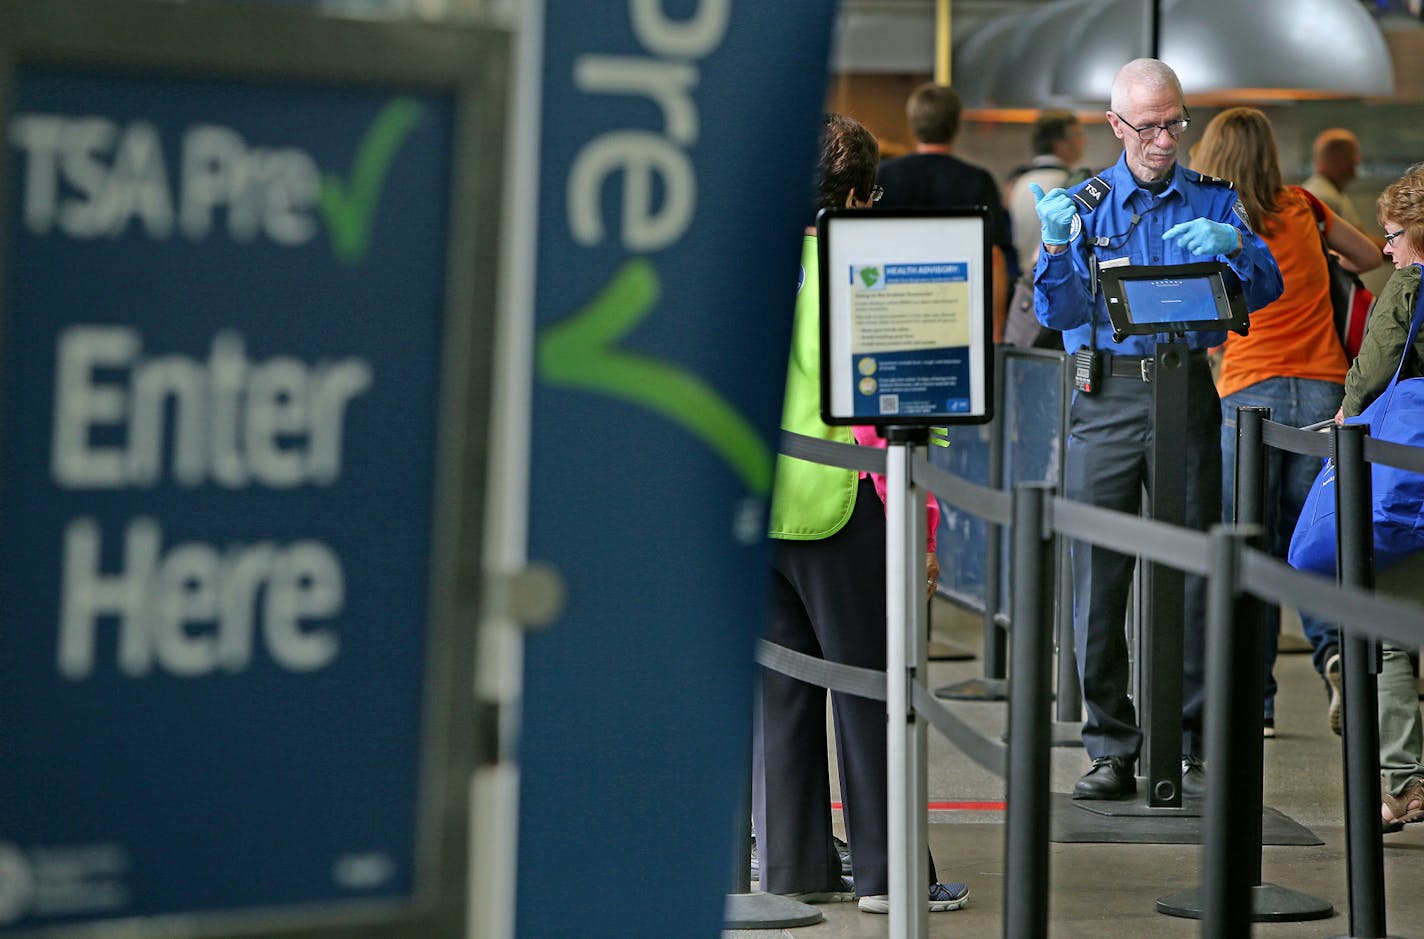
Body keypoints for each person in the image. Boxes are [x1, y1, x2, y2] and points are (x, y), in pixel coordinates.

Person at [1030, 59, 1283, 801]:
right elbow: (1060, 314)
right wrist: (1051, 250)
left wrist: (1238, 247)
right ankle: (1112, 746)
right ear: (1116, 126)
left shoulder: (1213, 201)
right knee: (1099, 582)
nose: (1165, 139)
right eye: (1148, 126)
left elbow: (1263, 290)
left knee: (1196, 573)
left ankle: (1190, 736)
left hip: (1186, 393)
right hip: (1106, 398)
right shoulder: (1085, 205)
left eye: (1175, 122)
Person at [753, 112, 969, 915]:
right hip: (847, 507)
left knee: (783, 694)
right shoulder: (870, 267)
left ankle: (795, 865)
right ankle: (888, 874)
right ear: (854, 194)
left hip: (766, 502)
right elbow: (906, 410)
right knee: (874, 691)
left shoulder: (752, 266)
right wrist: (925, 527)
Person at [1189, 108, 1381, 738]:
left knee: (1252, 545)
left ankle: (1259, 702)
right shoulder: (1306, 205)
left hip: (1248, 392)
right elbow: (1371, 255)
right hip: (1325, 389)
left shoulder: (1210, 219)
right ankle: (1331, 653)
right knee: (1313, 546)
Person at [1332, 164, 1424, 833]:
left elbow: (1371, 371)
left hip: (1410, 481)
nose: (1385, 249)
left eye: (1393, 235)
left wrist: (1345, 413)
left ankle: (1402, 781)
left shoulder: (1409, 289)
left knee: (1388, 635)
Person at [876, 82, 1013, 341]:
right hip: (957, 314)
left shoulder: (885, 175)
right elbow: (994, 257)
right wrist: (995, 332)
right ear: (957, 126)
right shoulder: (977, 180)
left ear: (913, 124)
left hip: (894, 311)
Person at [1005, 108, 1090, 284]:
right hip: (1057, 279)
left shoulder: (1017, 183)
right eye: (1077, 135)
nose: (1084, 141)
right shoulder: (1071, 184)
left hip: (1023, 283)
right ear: (1059, 143)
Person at [1302, 128, 1384, 248]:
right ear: (1341, 161)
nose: (1358, 161)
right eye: (1354, 155)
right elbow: (1356, 245)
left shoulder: (1330, 190)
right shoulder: (1324, 197)